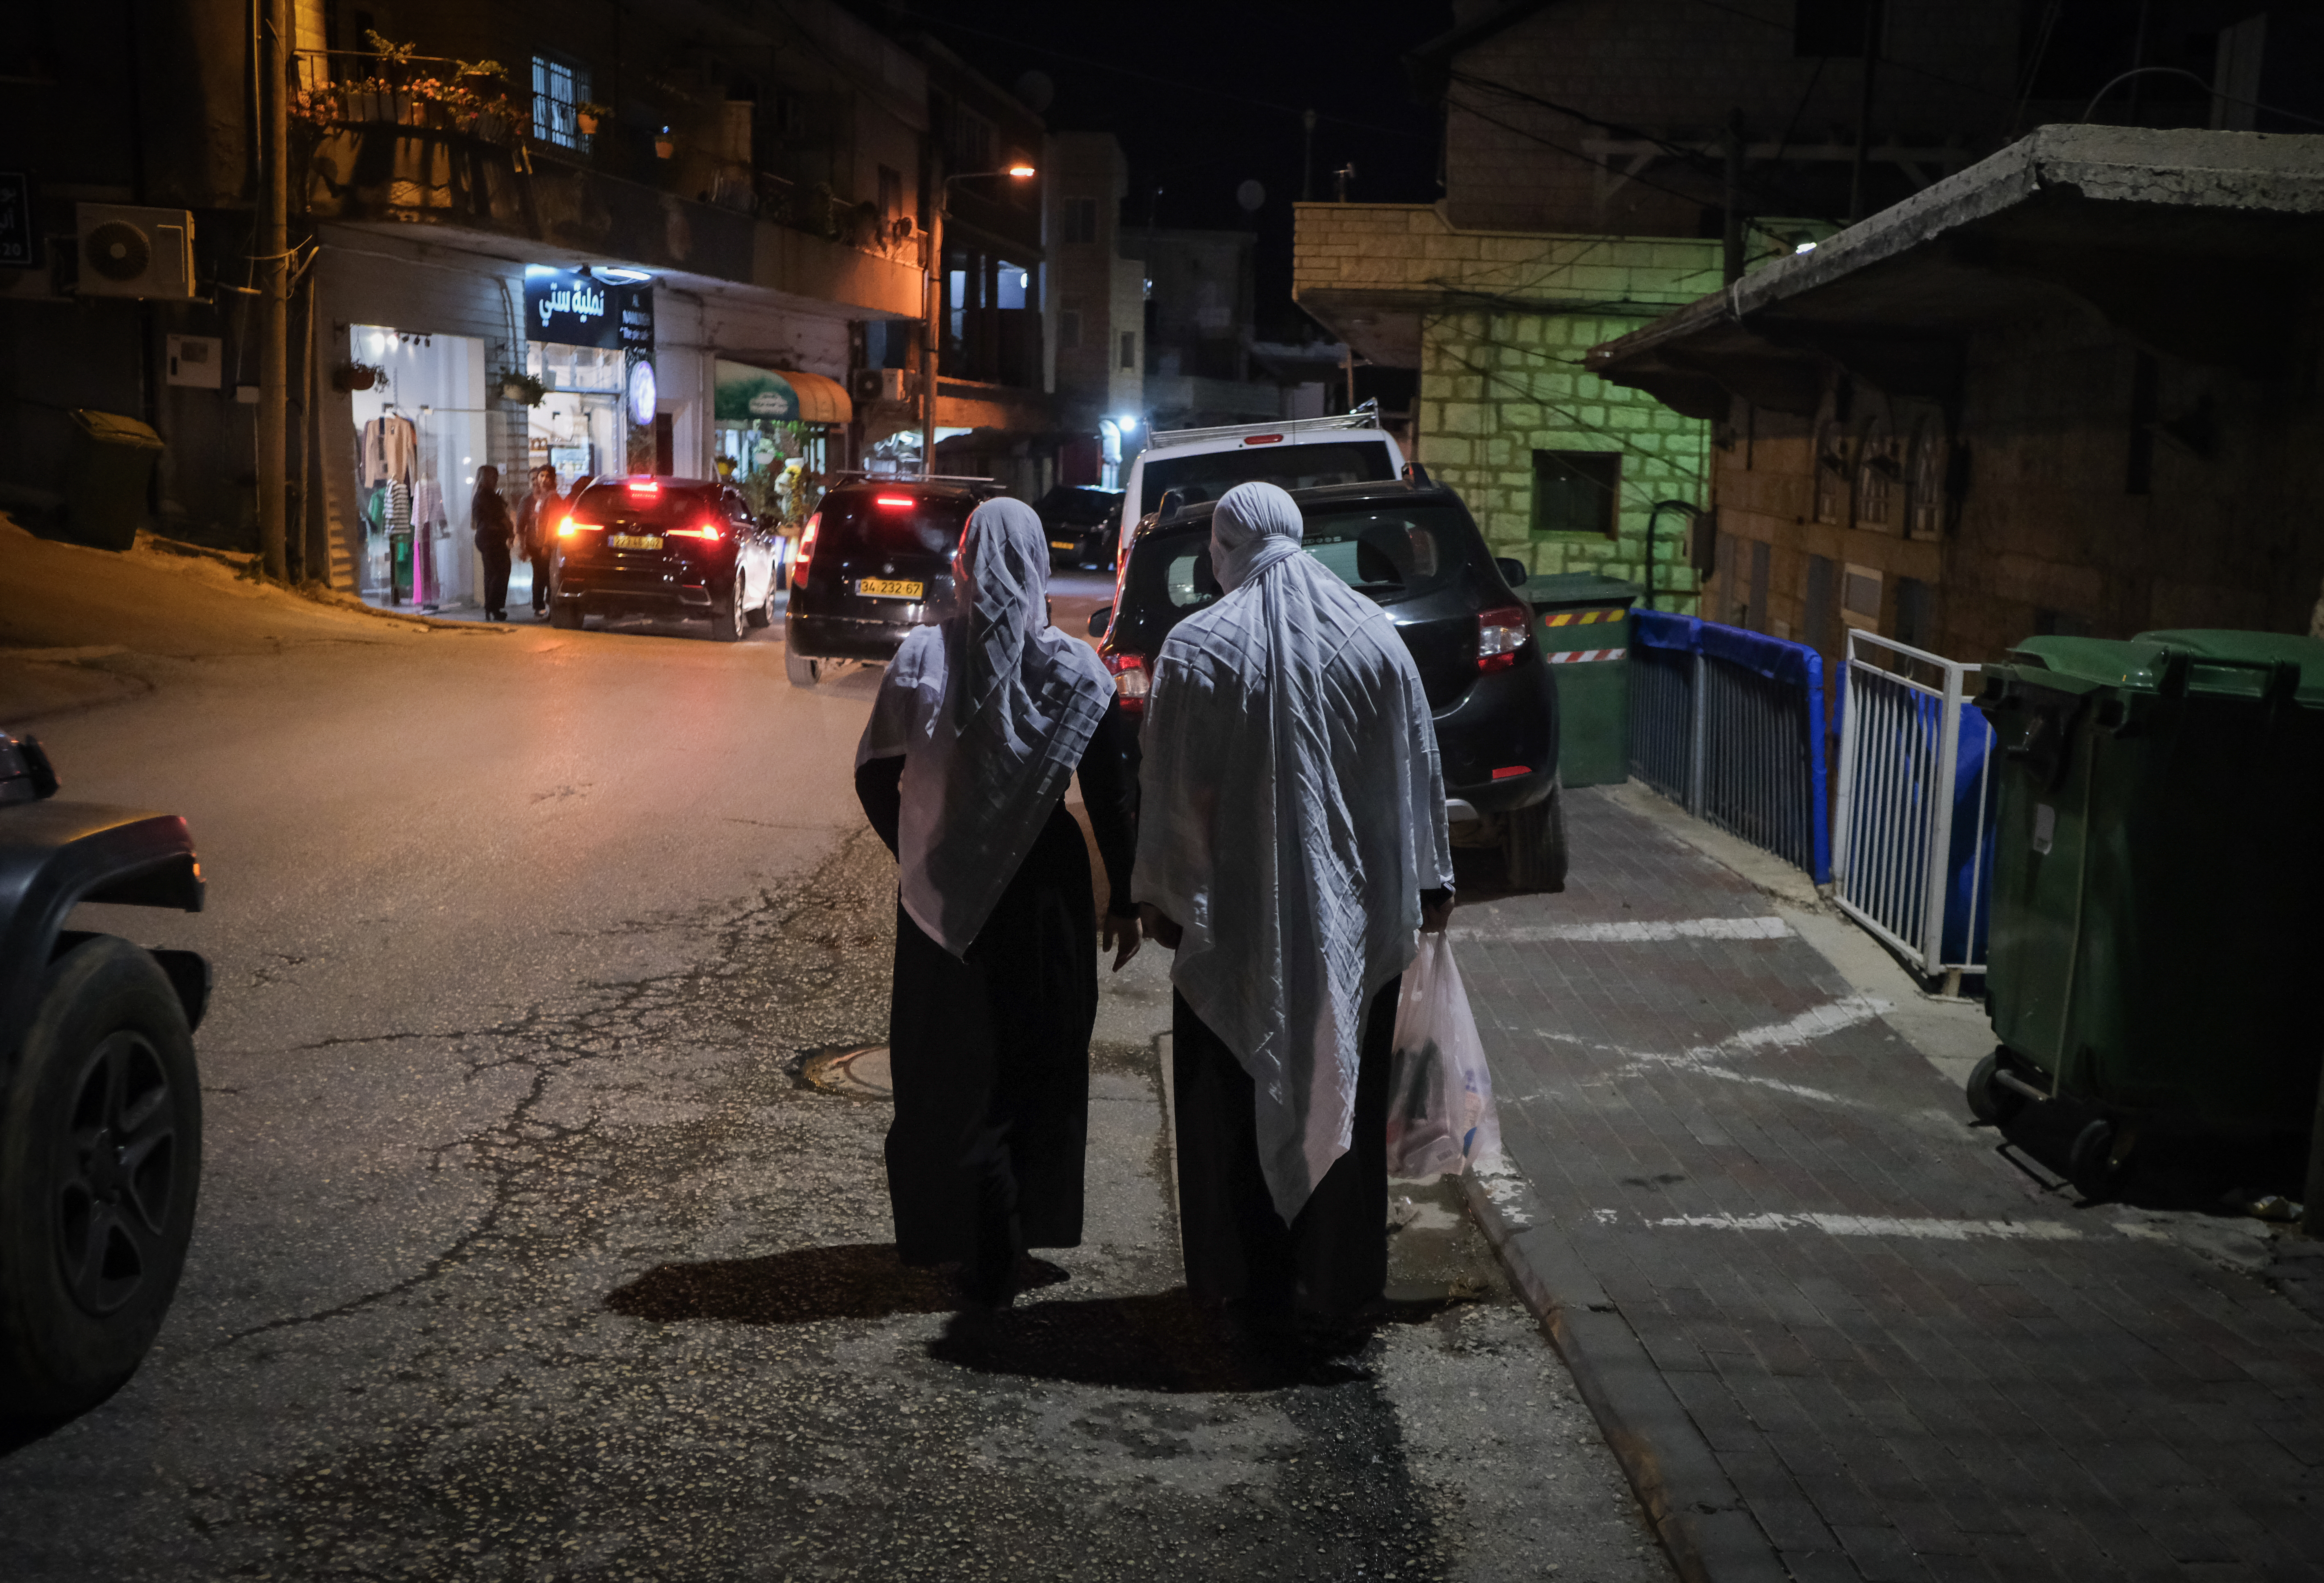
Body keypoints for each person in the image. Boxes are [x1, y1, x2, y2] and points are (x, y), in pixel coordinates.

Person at [1133, 480, 1455, 1341]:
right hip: (1354, 920)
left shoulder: (1197, 646)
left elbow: (1168, 787)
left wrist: (1162, 895)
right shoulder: (1373, 636)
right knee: (1339, 1076)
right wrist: (1429, 887)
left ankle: (1242, 1279)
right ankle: (1336, 1276)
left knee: (1231, 1097)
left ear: (1224, 546)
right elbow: (1415, 775)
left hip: (1232, 916)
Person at [853, 496, 1142, 1308]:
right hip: (1045, 892)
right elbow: (1112, 794)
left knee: (950, 1063)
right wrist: (1125, 897)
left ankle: (970, 1236)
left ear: (965, 564)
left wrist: (920, 848)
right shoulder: (1076, 669)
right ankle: (1013, 1231)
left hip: (944, 894)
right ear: (1041, 568)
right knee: (1034, 1057)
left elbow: (875, 774)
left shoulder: (923, 656)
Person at [470, 464, 516, 622]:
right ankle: (494, 606)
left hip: (486, 537)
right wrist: (511, 532)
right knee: (500, 571)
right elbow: (502, 517)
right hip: (493, 537)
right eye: (493, 477)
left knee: (492, 572)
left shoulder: (479, 494)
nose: (496, 480)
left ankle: (491, 607)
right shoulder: (487, 495)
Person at [513, 464, 560, 619]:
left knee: (547, 577)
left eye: (547, 477)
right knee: (542, 576)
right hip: (536, 544)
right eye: (541, 476)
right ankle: (542, 606)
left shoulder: (551, 497)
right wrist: (523, 546)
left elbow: (552, 523)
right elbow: (523, 524)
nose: (542, 480)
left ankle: (548, 606)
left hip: (547, 544)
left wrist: (547, 544)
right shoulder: (534, 499)